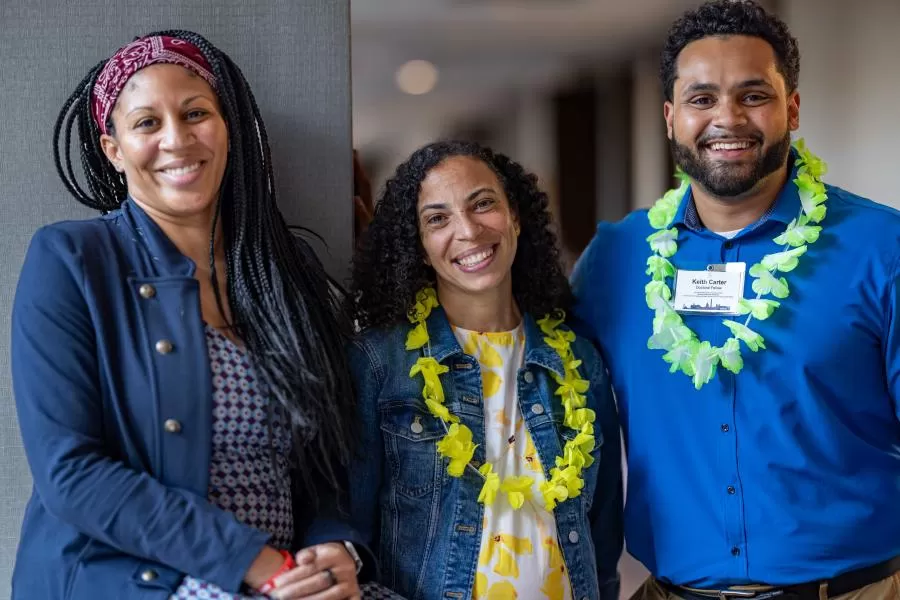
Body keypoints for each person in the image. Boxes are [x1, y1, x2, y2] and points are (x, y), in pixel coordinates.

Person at [11, 31, 369, 599]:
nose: (177, 139)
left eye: (195, 113)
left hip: (288, 578)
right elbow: (71, 474)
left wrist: (332, 549)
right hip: (135, 576)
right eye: (147, 123)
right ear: (114, 149)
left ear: (228, 127)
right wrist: (256, 563)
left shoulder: (283, 269)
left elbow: (324, 457)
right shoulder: (71, 259)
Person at [571, 1, 900, 599]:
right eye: (701, 99)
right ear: (670, 118)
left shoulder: (882, 249)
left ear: (792, 108)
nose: (727, 118)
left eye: (754, 95)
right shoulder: (614, 261)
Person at [347, 140, 623, 600]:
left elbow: (603, 532)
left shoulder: (579, 361)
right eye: (438, 219)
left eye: (483, 205)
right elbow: (351, 537)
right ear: (418, 244)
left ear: (514, 215)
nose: (469, 231)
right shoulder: (381, 363)